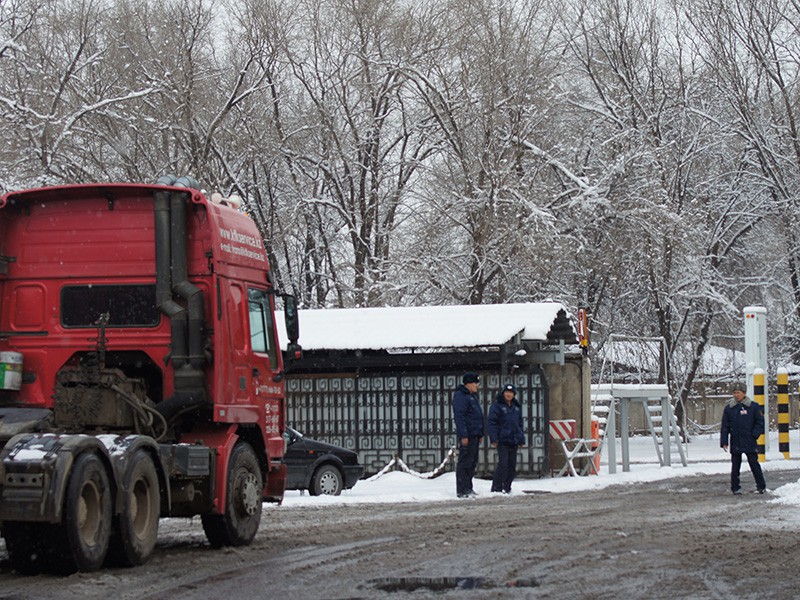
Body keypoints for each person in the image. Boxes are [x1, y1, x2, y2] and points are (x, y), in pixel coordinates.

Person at [720, 381, 766, 495]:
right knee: (735, 466)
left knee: (754, 464)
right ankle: (735, 487)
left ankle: (761, 486)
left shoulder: (753, 407)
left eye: (738, 392)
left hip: (749, 440)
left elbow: (760, 422)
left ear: (744, 393)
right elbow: (725, 426)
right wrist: (724, 441)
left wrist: (754, 435)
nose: (736, 395)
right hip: (736, 440)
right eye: (734, 392)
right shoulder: (729, 408)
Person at [488, 383, 526, 494]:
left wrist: (521, 439)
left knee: (512, 465)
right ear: (503, 393)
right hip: (502, 439)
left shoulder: (516, 407)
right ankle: (497, 487)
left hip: (513, 440)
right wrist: (494, 439)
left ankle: (507, 487)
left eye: (511, 393)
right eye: (507, 392)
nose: (508, 394)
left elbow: (519, 424)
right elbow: (492, 423)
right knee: (503, 464)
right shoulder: (497, 406)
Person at [452, 372, 485, 498]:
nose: (477, 385)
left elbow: (477, 416)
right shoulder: (461, 396)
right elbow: (460, 417)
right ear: (469, 384)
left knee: (472, 462)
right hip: (468, 435)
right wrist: (464, 435)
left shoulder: (472, 396)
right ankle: (462, 489)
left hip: (474, 434)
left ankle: (468, 487)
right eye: (475, 383)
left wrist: (480, 433)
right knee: (465, 462)